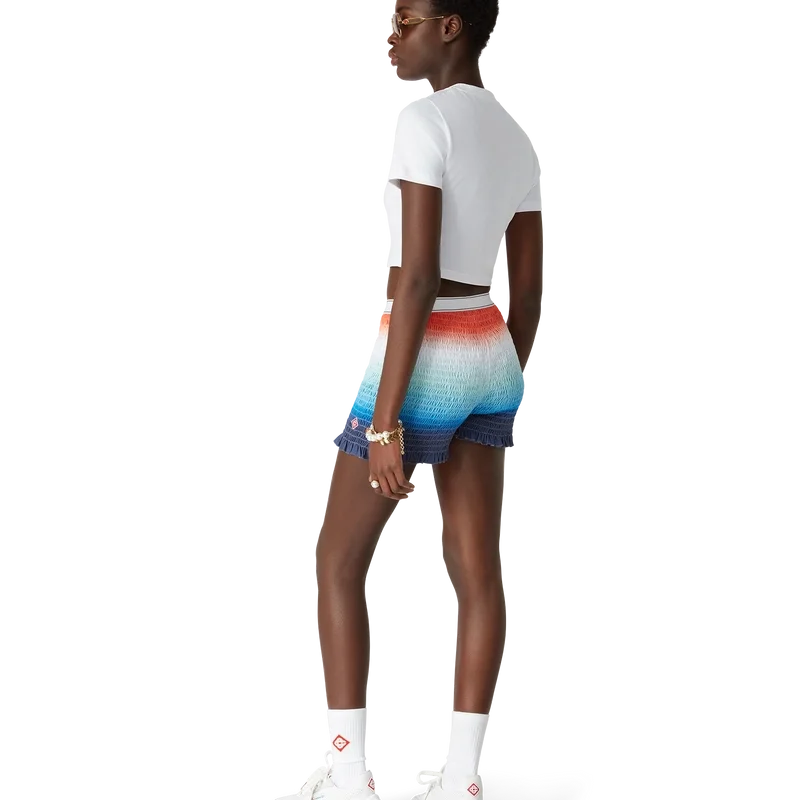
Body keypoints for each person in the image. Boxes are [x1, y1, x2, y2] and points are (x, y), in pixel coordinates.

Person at [281, 2, 543, 797]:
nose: (392, 35)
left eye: (408, 20)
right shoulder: (517, 130)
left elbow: (419, 276)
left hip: (424, 350)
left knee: (338, 559)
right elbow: (527, 278)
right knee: (478, 570)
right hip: (490, 347)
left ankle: (349, 766)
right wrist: (503, 371)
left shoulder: (423, 120)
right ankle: (462, 774)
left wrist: (386, 421)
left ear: (451, 28)